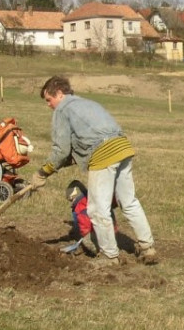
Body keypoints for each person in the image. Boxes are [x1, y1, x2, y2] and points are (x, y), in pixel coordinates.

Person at [30, 75, 157, 265]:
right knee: (129, 202)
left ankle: (109, 256)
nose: (49, 105)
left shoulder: (62, 109)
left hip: (103, 154)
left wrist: (42, 173)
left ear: (59, 93)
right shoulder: (88, 103)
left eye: (49, 100)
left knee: (97, 209)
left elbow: (61, 149)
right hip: (122, 147)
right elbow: (82, 143)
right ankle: (148, 248)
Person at [65, 179, 117, 256]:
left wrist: (84, 236)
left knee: (87, 240)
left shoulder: (79, 208)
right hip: (110, 225)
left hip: (102, 229)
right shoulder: (91, 195)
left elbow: (85, 226)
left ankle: (99, 252)